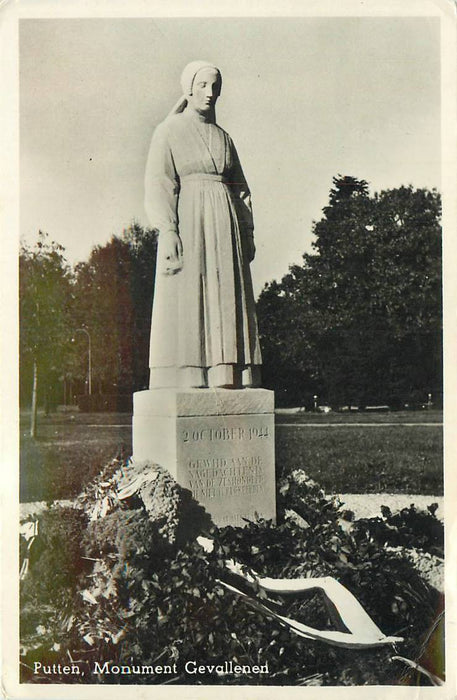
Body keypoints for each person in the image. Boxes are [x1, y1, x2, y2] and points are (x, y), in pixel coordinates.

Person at [144, 60, 262, 390]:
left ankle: (227, 371)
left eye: (215, 87)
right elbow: (159, 182)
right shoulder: (169, 130)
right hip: (190, 221)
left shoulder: (224, 138)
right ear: (189, 88)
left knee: (225, 296)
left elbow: (241, 190)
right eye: (203, 86)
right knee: (189, 295)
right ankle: (189, 372)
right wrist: (167, 230)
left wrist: (248, 231)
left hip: (226, 226)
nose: (210, 94)